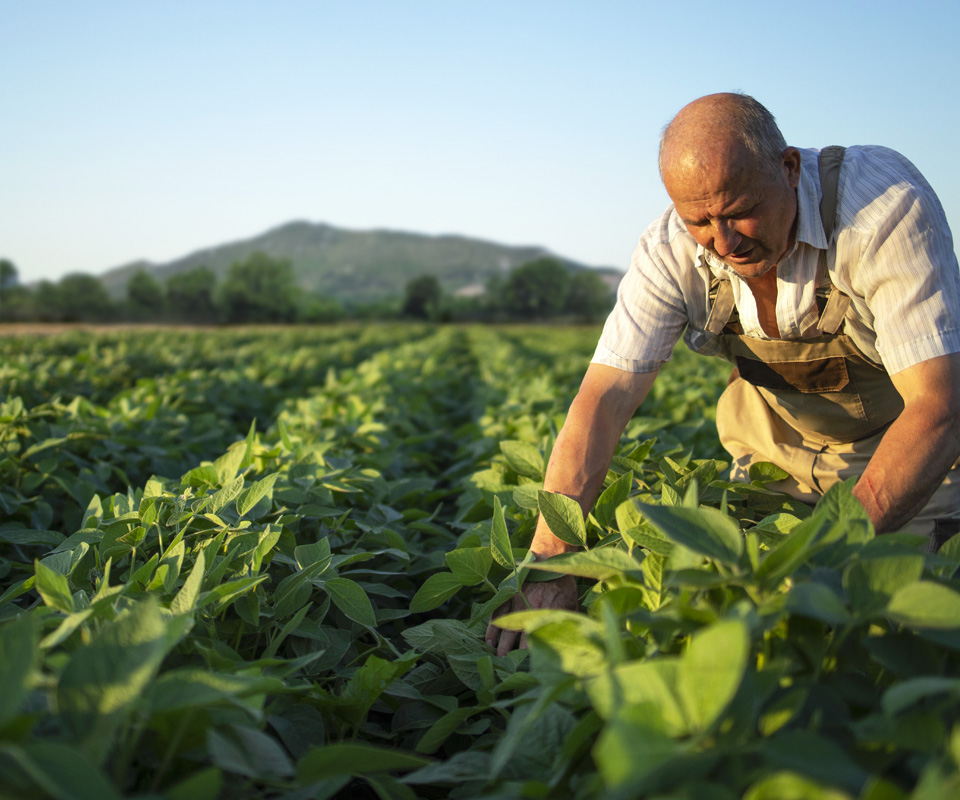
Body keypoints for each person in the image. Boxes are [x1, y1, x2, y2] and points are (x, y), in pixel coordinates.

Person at [487, 92, 960, 656]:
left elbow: (938, 406)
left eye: (738, 212)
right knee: (736, 628)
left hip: (903, 454)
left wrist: (818, 559)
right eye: (700, 221)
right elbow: (605, 400)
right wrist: (552, 560)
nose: (724, 241)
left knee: (880, 639)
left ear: (788, 169)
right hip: (772, 455)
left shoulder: (881, 208)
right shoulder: (668, 249)